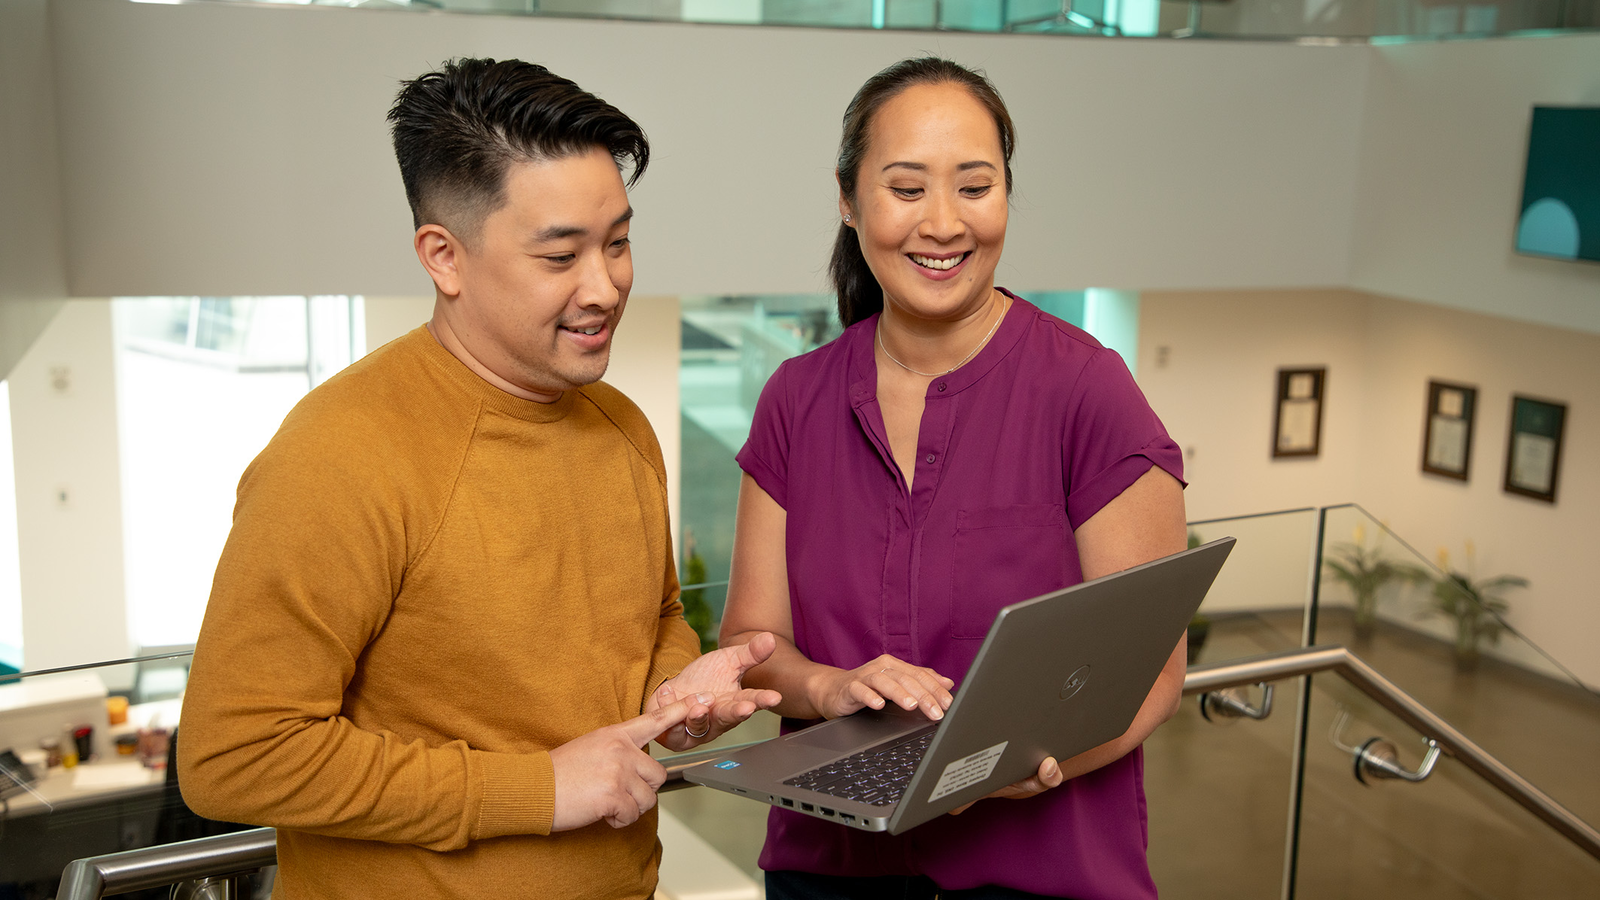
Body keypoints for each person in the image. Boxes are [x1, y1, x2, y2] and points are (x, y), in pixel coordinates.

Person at [178, 58, 779, 900]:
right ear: (444, 257)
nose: (605, 286)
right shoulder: (339, 454)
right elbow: (232, 754)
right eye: (561, 254)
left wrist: (673, 687)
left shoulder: (622, 427)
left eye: (618, 242)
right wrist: (539, 790)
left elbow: (656, 618)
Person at [718, 58, 1188, 900]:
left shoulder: (1087, 390)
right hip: (832, 874)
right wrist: (829, 686)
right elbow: (752, 651)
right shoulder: (797, 399)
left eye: (976, 187)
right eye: (906, 189)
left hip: (1041, 875)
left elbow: (1151, 669)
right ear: (848, 198)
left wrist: (1018, 767)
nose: (943, 224)